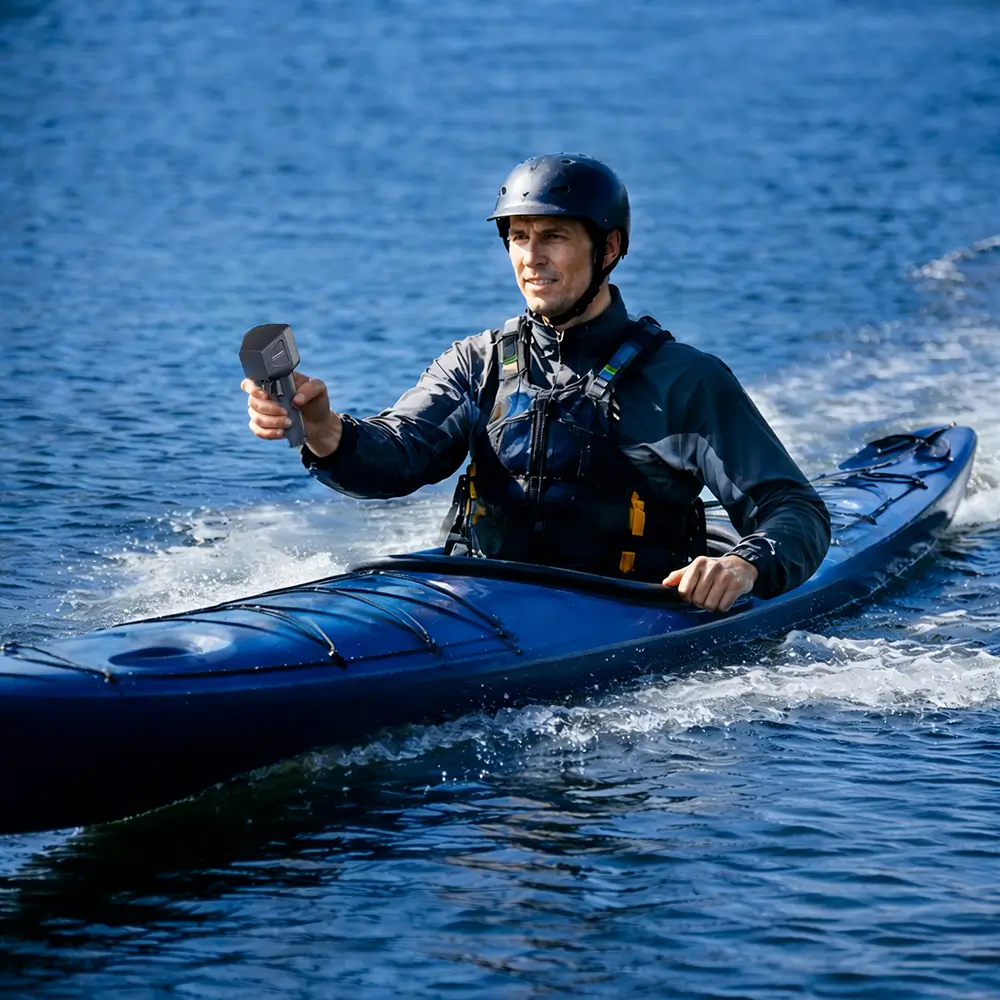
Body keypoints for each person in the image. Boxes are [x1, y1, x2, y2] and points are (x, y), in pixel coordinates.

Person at [242, 154, 830, 612]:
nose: (531, 257)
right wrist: (324, 431)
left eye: (554, 236)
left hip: (628, 610)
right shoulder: (477, 364)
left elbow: (794, 510)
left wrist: (743, 565)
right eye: (518, 237)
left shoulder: (684, 380)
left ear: (610, 248)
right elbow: (394, 459)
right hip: (484, 600)